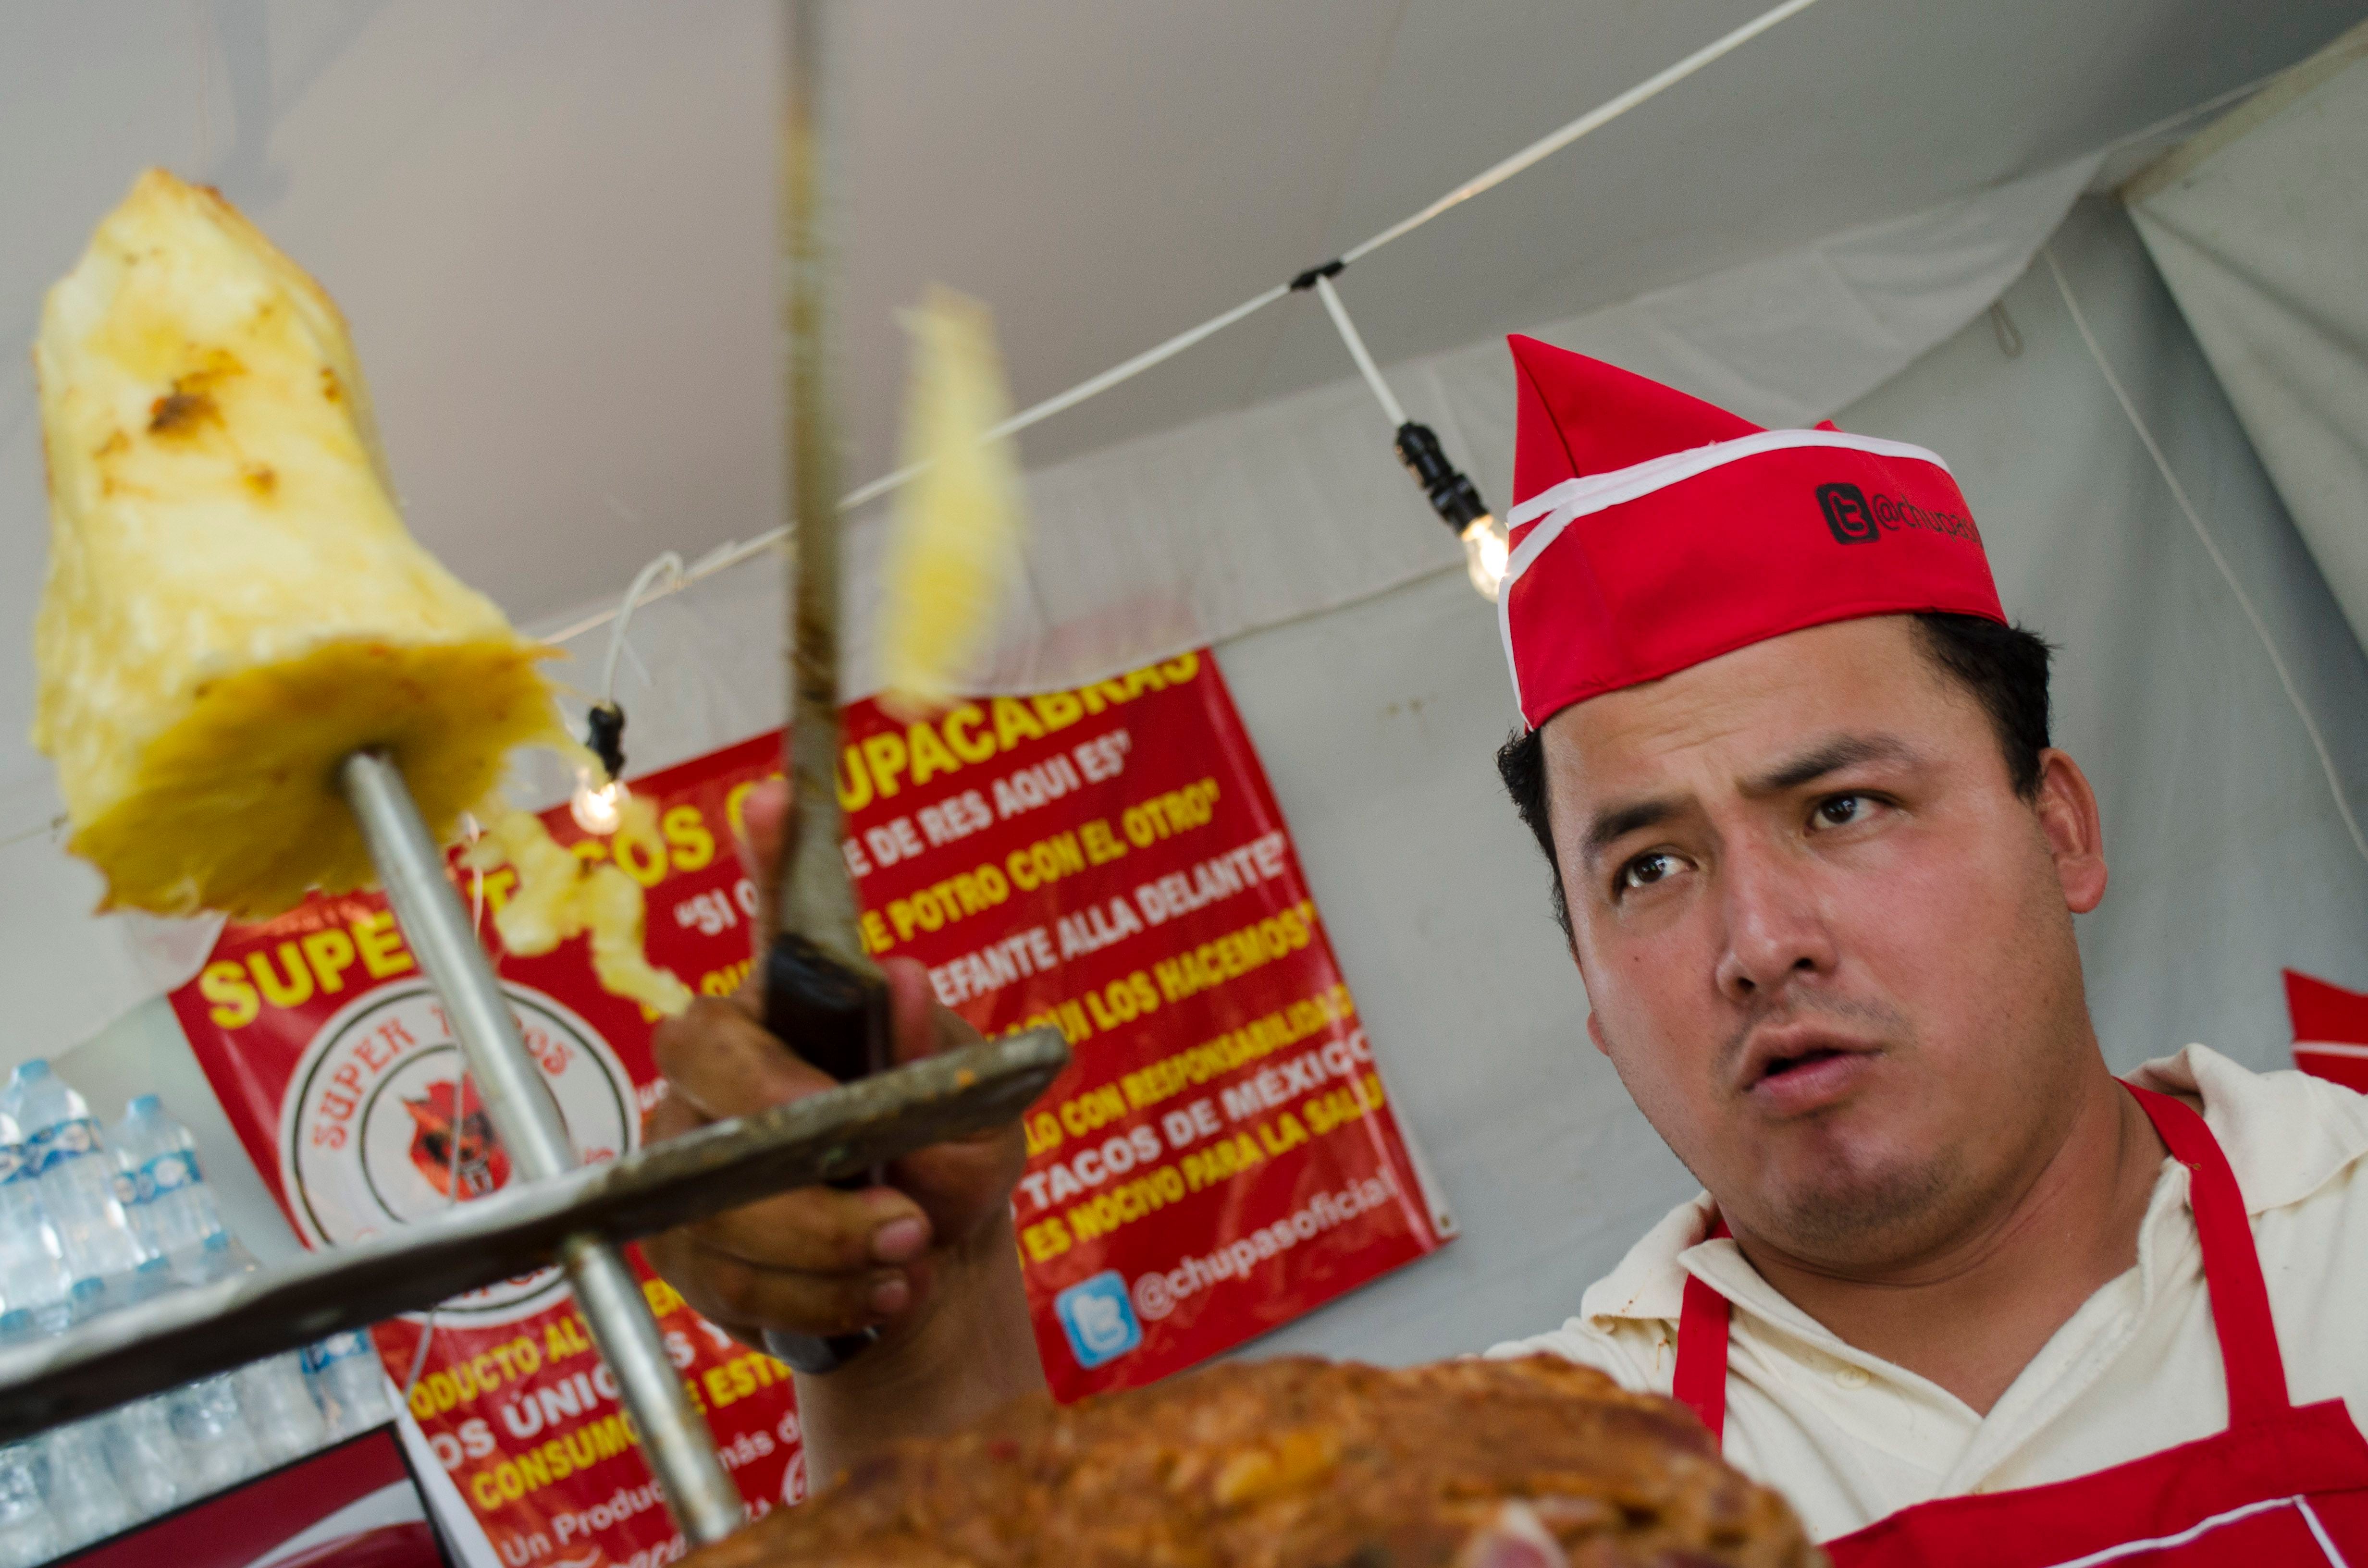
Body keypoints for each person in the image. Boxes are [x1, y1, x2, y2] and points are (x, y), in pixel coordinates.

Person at [642, 336, 2368, 1562]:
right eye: (1648, 871)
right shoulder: (1506, 1485)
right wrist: (915, 1327)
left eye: (1842, 808)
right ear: (1589, 993)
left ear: (2059, 824)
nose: (1756, 941)